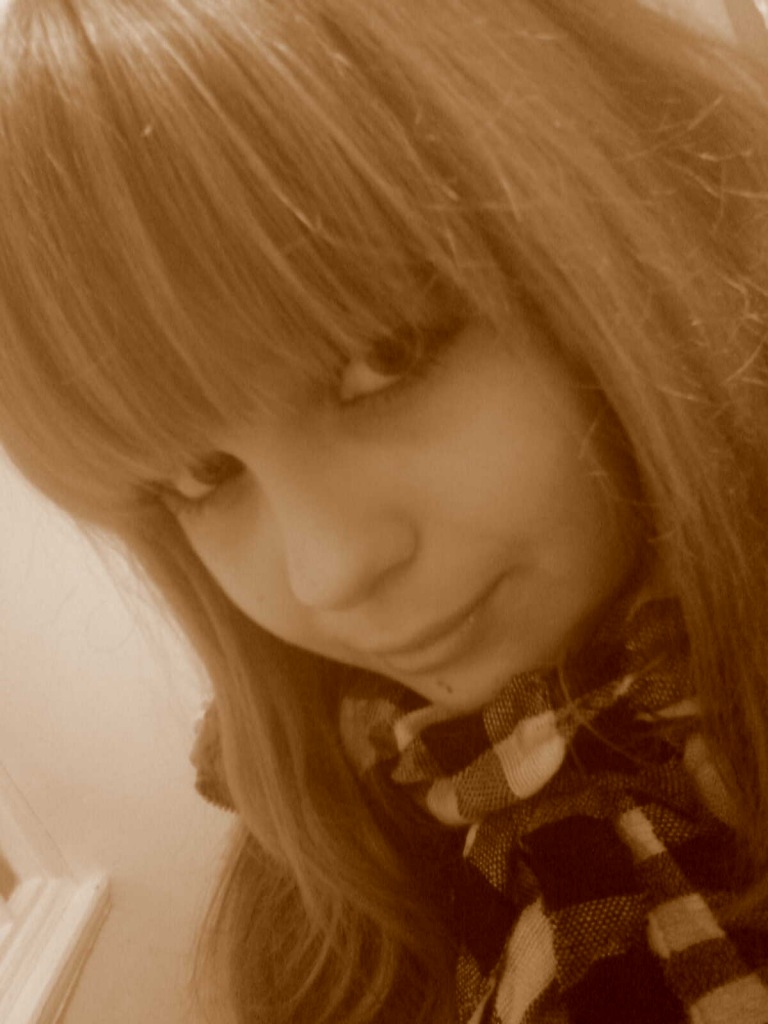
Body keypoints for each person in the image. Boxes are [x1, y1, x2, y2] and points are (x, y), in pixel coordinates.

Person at [1, 0, 768, 1020]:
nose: (329, 570)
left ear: (611, 232)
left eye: (387, 357)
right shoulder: (314, 910)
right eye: (199, 476)